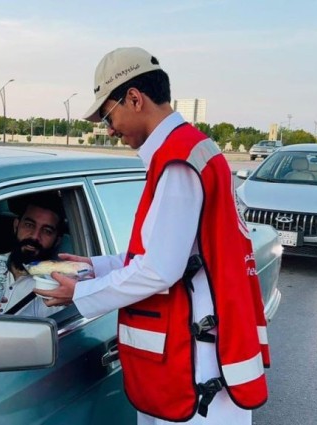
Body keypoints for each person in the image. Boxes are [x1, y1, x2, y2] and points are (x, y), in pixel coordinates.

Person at [35, 47, 270, 424]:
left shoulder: (177, 162)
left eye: (108, 116)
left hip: (195, 375)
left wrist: (79, 293)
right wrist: (96, 266)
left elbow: (161, 269)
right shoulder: (191, 150)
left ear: (134, 98)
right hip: (199, 366)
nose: (109, 130)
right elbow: (176, 255)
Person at [0, 192, 65, 317]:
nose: (34, 236)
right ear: (16, 225)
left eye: (47, 231)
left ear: (57, 240)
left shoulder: (59, 286)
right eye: (29, 225)